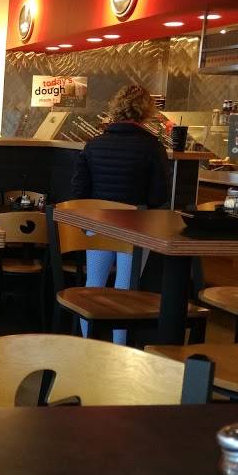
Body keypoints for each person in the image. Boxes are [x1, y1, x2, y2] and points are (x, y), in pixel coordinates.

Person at [70, 84, 170, 342]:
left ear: (116, 108)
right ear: (146, 111)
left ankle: (87, 345)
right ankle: (119, 349)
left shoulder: (94, 145)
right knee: (126, 291)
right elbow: (159, 195)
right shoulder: (152, 147)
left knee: (93, 285)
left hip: (99, 223)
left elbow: (79, 190)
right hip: (136, 226)